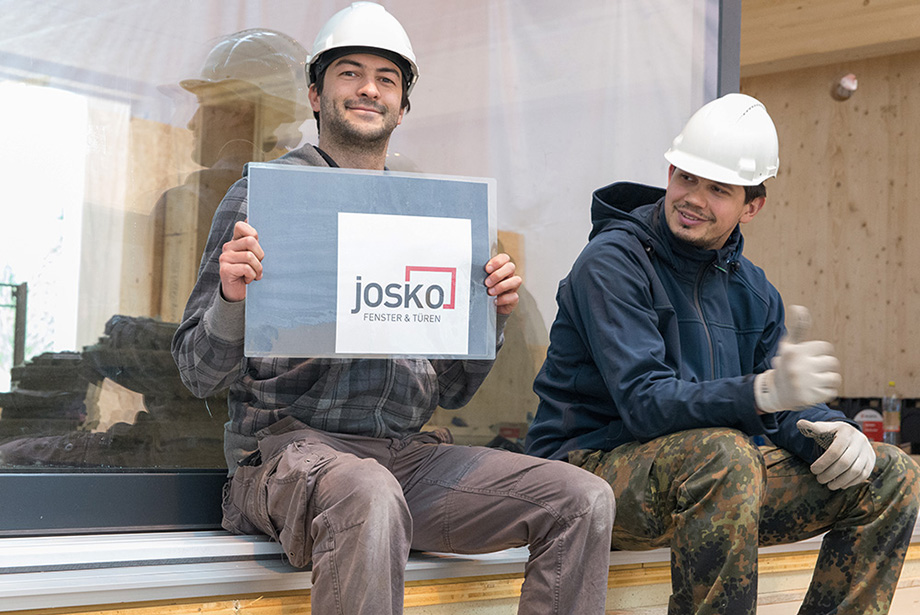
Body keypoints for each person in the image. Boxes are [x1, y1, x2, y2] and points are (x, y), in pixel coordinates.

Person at [171, 3, 615, 614]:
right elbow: (198, 372)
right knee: (369, 492)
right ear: (315, 94)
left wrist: (492, 313)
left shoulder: (427, 213)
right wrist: (231, 300)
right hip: (284, 456)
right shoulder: (265, 197)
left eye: (387, 79)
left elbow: (455, 391)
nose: (369, 89)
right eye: (349, 73)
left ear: (402, 105)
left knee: (583, 499)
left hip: (405, 459)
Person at [525, 92, 920, 614]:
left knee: (888, 473)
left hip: (707, 481)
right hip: (584, 474)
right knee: (724, 454)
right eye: (686, 177)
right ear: (669, 170)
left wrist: (826, 426)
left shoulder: (752, 289)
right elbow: (646, 403)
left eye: (717, 189)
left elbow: (778, 405)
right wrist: (761, 393)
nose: (693, 197)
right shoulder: (612, 262)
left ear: (751, 206)